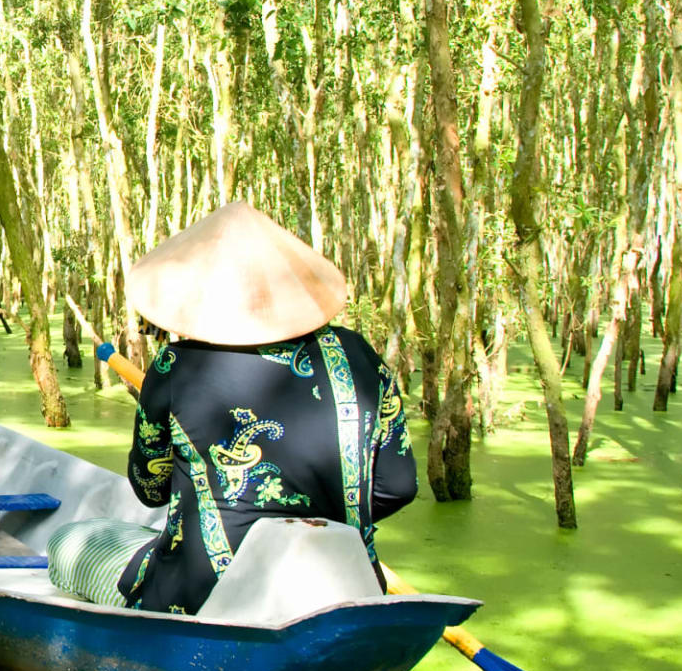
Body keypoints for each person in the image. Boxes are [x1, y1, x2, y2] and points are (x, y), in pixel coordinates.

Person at [47, 202, 418, 615]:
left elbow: (150, 488)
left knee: (67, 542)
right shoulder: (358, 356)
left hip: (204, 598)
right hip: (347, 592)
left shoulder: (176, 364)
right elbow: (397, 488)